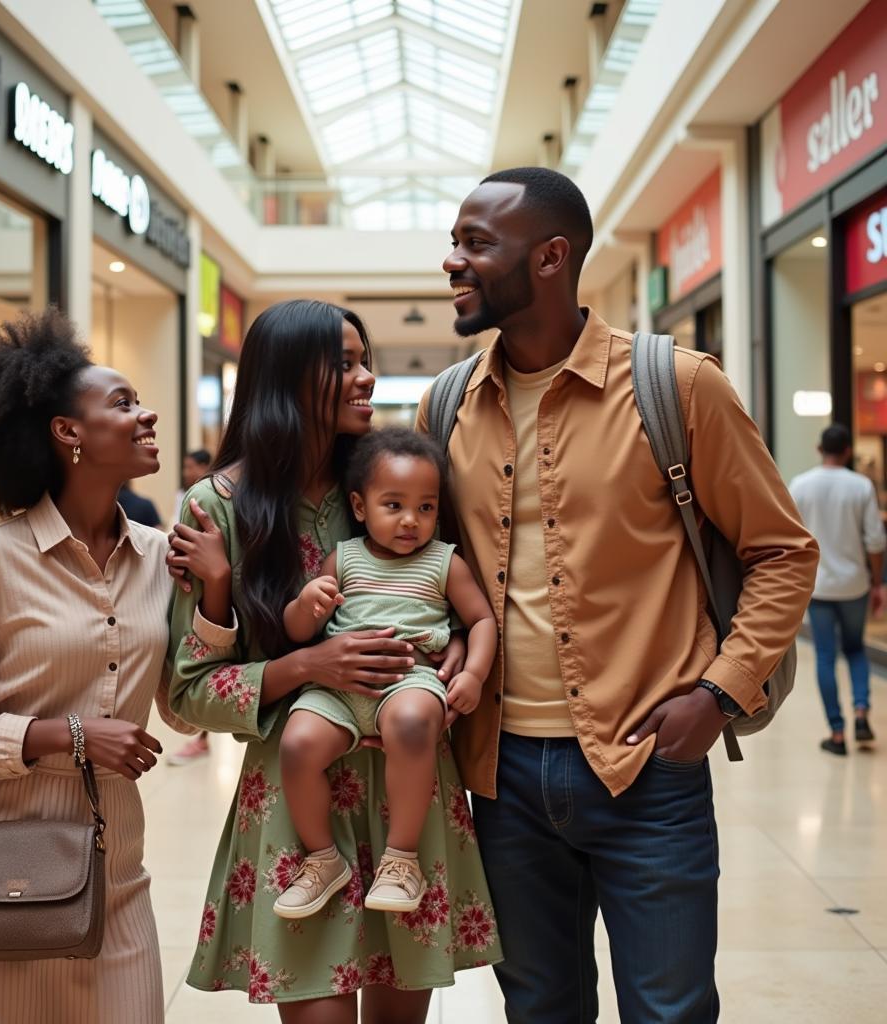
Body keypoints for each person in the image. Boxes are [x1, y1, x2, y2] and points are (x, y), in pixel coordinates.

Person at [415, 167, 819, 1023]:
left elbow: (783, 551)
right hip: (498, 775)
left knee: (669, 1010)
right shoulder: (447, 406)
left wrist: (718, 693)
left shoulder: (677, 386)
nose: (453, 261)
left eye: (475, 243)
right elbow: (423, 566)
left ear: (552, 256)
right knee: (540, 1009)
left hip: (648, 770)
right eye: (456, 242)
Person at [166, 299, 501, 1022]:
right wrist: (310, 664)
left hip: (406, 798)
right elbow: (187, 694)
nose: (366, 379)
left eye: (365, 360)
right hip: (299, 803)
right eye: (343, 364)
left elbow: (470, 608)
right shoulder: (216, 507)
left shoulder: (394, 486)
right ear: (285, 378)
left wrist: (459, 673)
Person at [0, 308, 197, 1024]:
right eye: (123, 403)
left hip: (114, 866)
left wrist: (213, 599)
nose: (146, 412)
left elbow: (184, 708)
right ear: (69, 432)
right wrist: (61, 737)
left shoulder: (163, 556)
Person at [275, 427, 496, 919]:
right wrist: (306, 604)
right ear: (359, 506)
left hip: (411, 678)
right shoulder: (344, 558)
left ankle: (402, 859)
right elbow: (297, 631)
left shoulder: (444, 562)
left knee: (414, 723)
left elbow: (481, 619)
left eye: (426, 507)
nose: (410, 521)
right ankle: (322, 859)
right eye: (393, 505)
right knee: (298, 744)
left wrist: (475, 674)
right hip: (337, 688)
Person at [790, 423, 883, 755]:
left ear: (819, 449)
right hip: (854, 584)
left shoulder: (800, 485)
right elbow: (875, 540)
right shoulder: (860, 487)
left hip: (819, 587)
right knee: (856, 649)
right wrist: (877, 582)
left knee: (826, 657)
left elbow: (791, 538)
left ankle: (837, 733)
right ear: (847, 451)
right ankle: (861, 711)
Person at [168, 448, 216, 764]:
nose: (186, 470)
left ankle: (201, 735)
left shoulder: (212, 498)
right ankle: (200, 735)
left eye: (190, 465)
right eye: (183, 465)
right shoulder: (185, 496)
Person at [174, 448, 212, 526]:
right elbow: (178, 520)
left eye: (189, 467)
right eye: (185, 467)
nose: (185, 473)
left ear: (203, 467)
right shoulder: (181, 493)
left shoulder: (213, 491)